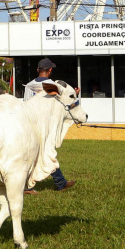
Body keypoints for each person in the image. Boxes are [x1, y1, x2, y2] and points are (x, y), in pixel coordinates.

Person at [23, 58, 76, 194]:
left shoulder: (29, 85)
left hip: (29, 124)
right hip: (46, 126)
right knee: (46, 153)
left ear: (38, 70)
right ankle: (59, 183)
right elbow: (60, 105)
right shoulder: (54, 86)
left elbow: (25, 105)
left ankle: (57, 183)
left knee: (36, 154)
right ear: (50, 70)